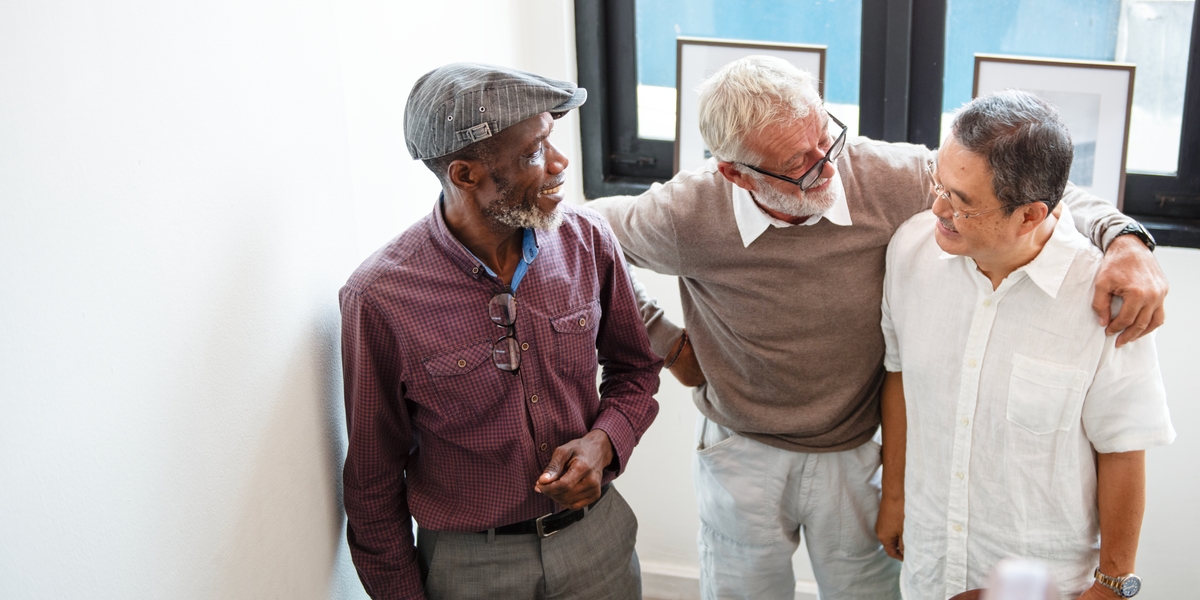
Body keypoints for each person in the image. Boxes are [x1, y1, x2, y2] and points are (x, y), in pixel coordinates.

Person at [588, 55, 1168, 600]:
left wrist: (1126, 239)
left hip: (855, 449)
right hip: (742, 449)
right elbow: (582, 237)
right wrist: (664, 343)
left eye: (825, 137)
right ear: (737, 175)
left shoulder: (887, 176)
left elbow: (1031, 189)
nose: (827, 167)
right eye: (798, 165)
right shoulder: (685, 212)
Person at [338, 63, 661, 600]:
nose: (559, 163)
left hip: (597, 543)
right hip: (469, 567)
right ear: (465, 175)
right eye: (534, 152)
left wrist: (604, 442)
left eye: (550, 139)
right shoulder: (378, 298)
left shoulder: (588, 241)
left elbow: (638, 370)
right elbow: (372, 480)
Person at [876, 90, 1174, 599]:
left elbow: (1123, 449)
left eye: (962, 203)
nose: (937, 208)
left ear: (1031, 215)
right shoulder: (910, 250)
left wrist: (1112, 584)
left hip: (1044, 581)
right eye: (938, 184)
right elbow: (900, 377)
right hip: (929, 562)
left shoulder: (1105, 299)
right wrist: (894, 497)